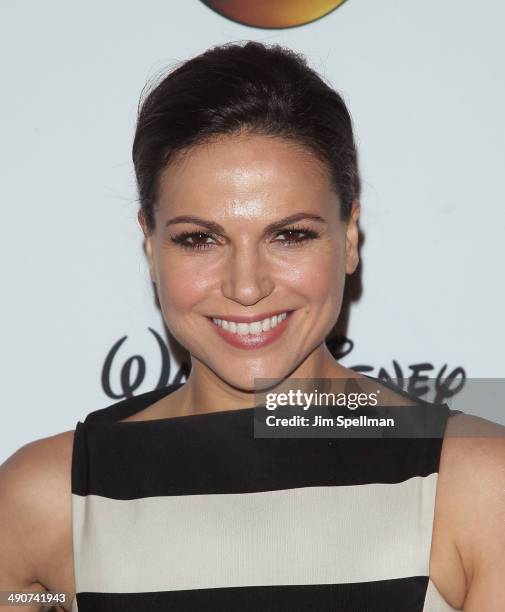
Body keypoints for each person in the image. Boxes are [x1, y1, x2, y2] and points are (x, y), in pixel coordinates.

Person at [1, 40, 504, 612]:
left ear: (350, 235)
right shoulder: (47, 498)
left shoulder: (477, 485)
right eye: (200, 238)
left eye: (290, 234)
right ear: (149, 242)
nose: (246, 286)